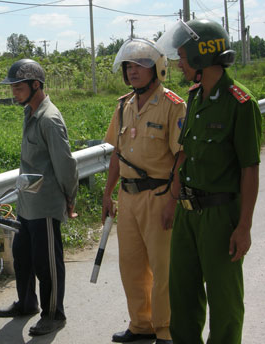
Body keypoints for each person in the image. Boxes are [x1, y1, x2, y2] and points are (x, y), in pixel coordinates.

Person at [156, 19, 262, 343]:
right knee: (183, 297)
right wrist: (172, 201)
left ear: (202, 58)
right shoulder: (196, 97)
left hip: (220, 217)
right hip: (188, 214)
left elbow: (250, 170)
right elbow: (185, 154)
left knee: (225, 303)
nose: (179, 64)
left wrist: (243, 227)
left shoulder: (240, 104)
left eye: (183, 57)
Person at [102, 38, 187, 344]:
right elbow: (117, 153)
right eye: (128, 66)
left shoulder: (173, 106)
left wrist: (172, 202)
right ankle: (141, 324)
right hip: (128, 197)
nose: (133, 71)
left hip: (159, 195)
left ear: (157, 69)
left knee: (162, 268)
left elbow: (181, 157)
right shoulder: (124, 106)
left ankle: (165, 330)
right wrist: (108, 192)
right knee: (131, 265)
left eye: (139, 65)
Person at [0, 59, 79, 336]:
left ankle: (55, 313)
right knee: (22, 256)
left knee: (47, 263)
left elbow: (65, 164)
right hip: (27, 202)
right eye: (13, 88)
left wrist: (69, 199)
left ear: (36, 85)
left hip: (45, 204)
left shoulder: (49, 119)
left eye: (18, 88)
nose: (14, 93)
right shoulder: (30, 112)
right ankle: (27, 302)